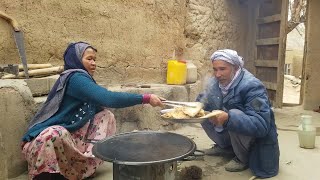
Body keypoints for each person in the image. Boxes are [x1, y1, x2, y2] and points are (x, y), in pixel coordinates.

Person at [21, 41, 164, 180]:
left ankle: (81, 168)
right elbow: (108, 98)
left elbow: (99, 106)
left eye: (95, 59)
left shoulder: (85, 79)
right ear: (76, 59)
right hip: (43, 142)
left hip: (67, 135)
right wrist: (146, 98)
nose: (94, 63)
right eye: (89, 58)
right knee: (54, 133)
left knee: (106, 116)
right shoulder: (75, 78)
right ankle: (50, 175)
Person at [197, 49, 279, 178]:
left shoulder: (252, 86)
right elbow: (202, 99)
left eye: (222, 69)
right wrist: (196, 107)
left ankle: (242, 157)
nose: (217, 74)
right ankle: (225, 147)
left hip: (254, 138)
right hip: (231, 132)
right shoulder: (215, 82)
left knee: (234, 114)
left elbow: (261, 125)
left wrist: (229, 118)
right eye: (215, 69)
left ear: (235, 68)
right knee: (201, 113)